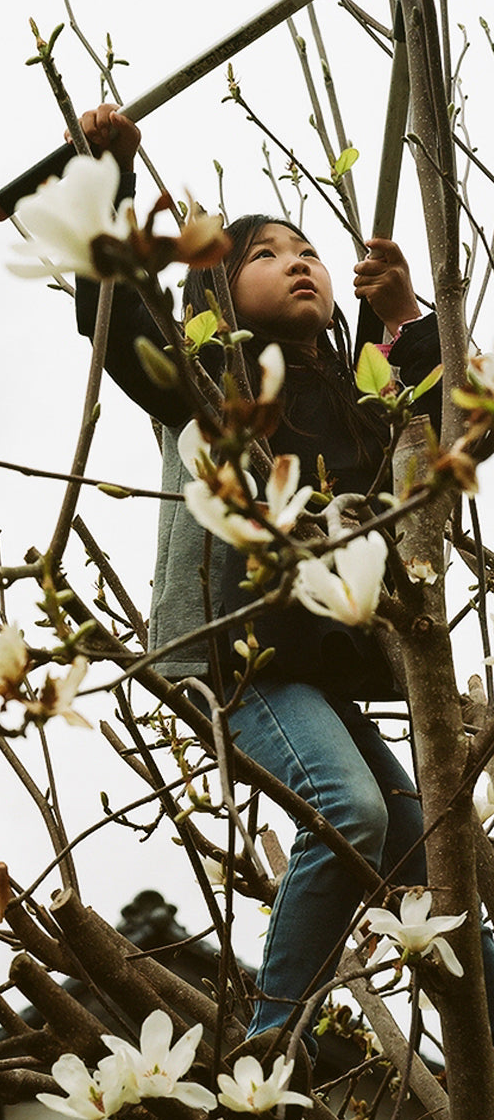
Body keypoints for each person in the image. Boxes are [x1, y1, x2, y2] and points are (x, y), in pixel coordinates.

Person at [72, 104, 494, 1058]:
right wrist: (115, 180)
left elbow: (427, 432)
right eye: (268, 253)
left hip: (318, 664)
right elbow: (123, 312)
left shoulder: (357, 400)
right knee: (347, 807)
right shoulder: (213, 376)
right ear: (217, 292)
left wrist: (401, 318)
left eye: (310, 249)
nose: (301, 259)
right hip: (239, 648)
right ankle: (269, 1033)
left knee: (424, 848)